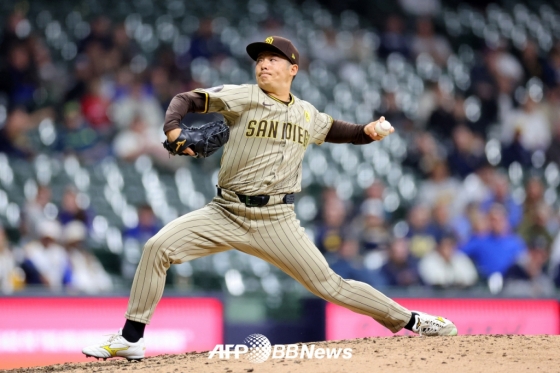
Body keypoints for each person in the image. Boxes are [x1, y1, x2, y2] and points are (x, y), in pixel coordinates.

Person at [83, 36, 457, 361]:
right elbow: (186, 99)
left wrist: (368, 131)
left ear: (293, 68)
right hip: (225, 210)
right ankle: (131, 340)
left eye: (272, 58)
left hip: (276, 220)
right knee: (157, 247)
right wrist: (173, 128)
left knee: (331, 285)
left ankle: (412, 320)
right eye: (260, 59)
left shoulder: (305, 112)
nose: (263, 64)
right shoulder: (243, 96)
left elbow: (336, 129)